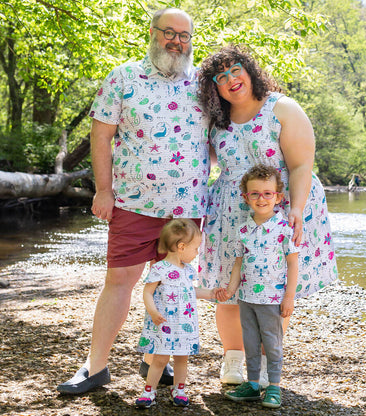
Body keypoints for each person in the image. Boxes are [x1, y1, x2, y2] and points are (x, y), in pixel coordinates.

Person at [57, 8, 210, 394]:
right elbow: (100, 137)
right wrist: (104, 189)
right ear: (153, 33)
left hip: (187, 207)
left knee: (171, 286)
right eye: (169, 33)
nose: (177, 41)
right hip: (133, 202)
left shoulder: (204, 85)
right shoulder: (123, 77)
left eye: (184, 36)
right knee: (120, 280)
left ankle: (154, 359)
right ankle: (95, 367)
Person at [197, 45, 338, 387]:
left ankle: (263, 364)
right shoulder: (216, 121)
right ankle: (232, 361)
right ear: (214, 87)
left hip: (280, 210)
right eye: (221, 77)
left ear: (250, 71)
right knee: (228, 290)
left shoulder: (281, 107)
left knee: (272, 291)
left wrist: (297, 210)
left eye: (236, 70)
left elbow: (302, 164)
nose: (231, 80)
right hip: (231, 215)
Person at [216, 164, 299, 408]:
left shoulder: (284, 229)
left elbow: (293, 265)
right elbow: (238, 264)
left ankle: (273, 386)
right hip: (246, 298)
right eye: (255, 193)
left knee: (271, 344)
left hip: (273, 299)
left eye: (267, 193)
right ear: (246, 197)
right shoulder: (243, 230)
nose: (261, 199)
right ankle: (252, 384)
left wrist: (289, 297)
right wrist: (231, 289)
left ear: (278, 197)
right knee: (250, 342)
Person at [135, 219, 220, 408]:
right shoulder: (159, 268)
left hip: (184, 323)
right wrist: (153, 311)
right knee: (160, 358)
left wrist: (210, 293)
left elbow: (190, 292)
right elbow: (147, 292)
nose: (197, 252)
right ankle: (149, 390)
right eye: (196, 248)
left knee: (182, 357)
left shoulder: (188, 271)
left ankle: (179, 389)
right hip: (165, 323)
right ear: (181, 246)